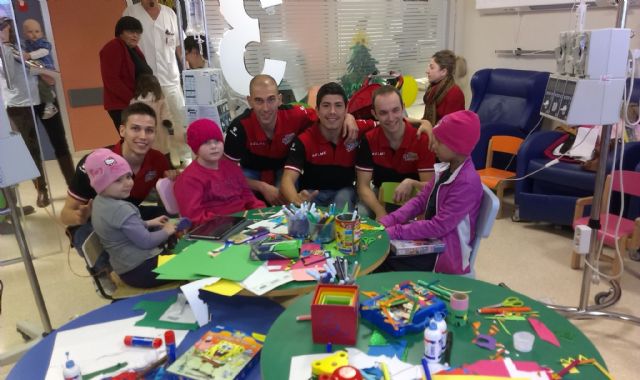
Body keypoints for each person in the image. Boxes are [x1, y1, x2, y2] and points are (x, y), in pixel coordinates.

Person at [224, 75, 359, 206]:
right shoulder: (239, 127)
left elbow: (327, 117)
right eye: (259, 100)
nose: (266, 108)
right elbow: (226, 173)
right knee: (235, 192)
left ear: (279, 99)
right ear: (250, 101)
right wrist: (262, 187)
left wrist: (348, 117)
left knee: (286, 195)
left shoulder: (296, 115)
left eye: (271, 99)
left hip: (284, 168)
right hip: (251, 171)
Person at [378, 110, 483, 275]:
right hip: (432, 242)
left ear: (456, 146)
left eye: (438, 142)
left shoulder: (466, 182)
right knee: (384, 252)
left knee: (384, 261)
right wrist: (388, 221)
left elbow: (438, 226)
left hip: (446, 256)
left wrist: (395, 231)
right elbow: (420, 200)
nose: (432, 146)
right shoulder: (446, 169)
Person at [60, 102, 172, 252]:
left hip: (129, 214)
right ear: (122, 131)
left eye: (149, 130)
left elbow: (168, 198)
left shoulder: (158, 160)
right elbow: (65, 215)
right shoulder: (94, 164)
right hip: (95, 222)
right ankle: (109, 273)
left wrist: (174, 181)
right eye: (135, 129)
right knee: (86, 237)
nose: (143, 136)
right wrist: (80, 216)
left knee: (173, 218)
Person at [1, 17, 75, 207]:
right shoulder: (6, 50)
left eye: (8, 29)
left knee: (59, 140)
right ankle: (41, 189)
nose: (5, 32)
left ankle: (74, 186)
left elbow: (47, 72)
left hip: (43, 97)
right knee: (30, 147)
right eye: (2, 29)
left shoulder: (26, 46)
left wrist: (44, 71)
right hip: (19, 104)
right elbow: (7, 74)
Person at [86, 148, 175, 288]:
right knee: (192, 264)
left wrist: (149, 223)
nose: (128, 183)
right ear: (101, 184)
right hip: (144, 270)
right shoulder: (121, 209)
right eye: (118, 181)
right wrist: (167, 231)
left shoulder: (99, 201)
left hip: (126, 269)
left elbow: (124, 227)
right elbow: (146, 241)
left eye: (128, 176)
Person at [280, 82, 376, 209]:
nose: (332, 111)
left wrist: (411, 125)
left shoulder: (357, 129)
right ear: (317, 111)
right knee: (306, 212)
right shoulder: (304, 140)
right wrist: (296, 199)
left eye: (338, 105)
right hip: (313, 193)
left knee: (343, 198)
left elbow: (389, 123)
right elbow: (287, 179)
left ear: (346, 110)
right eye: (326, 105)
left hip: (345, 192)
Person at [124, 0, 189, 164]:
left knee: (179, 120)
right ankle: (154, 163)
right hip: (145, 84)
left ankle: (185, 158)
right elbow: (124, 49)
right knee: (150, 125)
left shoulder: (169, 14)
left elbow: (179, 46)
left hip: (170, 79)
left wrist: (188, 71)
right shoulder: (130, 13)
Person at [356, 85, 436, 220]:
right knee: (361, 213)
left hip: (414, 198)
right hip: (381, 196)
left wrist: (411, 183)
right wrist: (380, 211)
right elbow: (363, 186)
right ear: (374, 114)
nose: (391, 118)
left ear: (403, 108)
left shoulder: (421, 138)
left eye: (395, 110)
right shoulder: (368, 139)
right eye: (383, 113)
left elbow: (429, 188)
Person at [174, 119, 265, 225]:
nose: (214, 146)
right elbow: (193, 217)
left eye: (217, 141)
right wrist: (231, 222)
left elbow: (249, 198)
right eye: (206, 142)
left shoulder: (232, 167)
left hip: (245, 223)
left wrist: (262, 213)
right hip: (214, 230)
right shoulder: (188, 179)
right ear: (195, 147)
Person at [100, 16, 152, 133]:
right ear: (120, 33)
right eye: (130, 32)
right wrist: (133, 100)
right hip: (122, 105)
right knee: (132, 140)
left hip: (136, 102)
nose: (135, 36)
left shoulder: (134, 49)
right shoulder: (113, 47)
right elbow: (111, 79)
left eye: (138, 33)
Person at [131, 73, 174, 163]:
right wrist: (170, 128)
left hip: (142, 141)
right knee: (164, 163)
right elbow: (166, 118)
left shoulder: (134, 102)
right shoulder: (160, 101)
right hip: (160, 140)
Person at [21, 18, 58, 119]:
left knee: (43, 85)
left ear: (41, 32)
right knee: (39, 85)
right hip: (37, 70)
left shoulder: (43, 43)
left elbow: (44, 52)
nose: (34, 34)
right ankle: (48, 98)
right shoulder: (26, 44)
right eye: (30, 32)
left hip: (46, 68)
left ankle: (50, 105)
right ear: (24, 33)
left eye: (37, 31)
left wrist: (30, 55)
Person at [421, 50, 466, 126]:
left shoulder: (454, 93)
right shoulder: (433, 88)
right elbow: (427, 120)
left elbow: (448, 128)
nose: (427, 71)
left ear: (443, 72)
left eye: (432, 67)